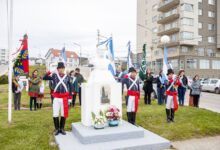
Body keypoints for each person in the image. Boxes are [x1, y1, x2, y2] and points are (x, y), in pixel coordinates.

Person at [43, 62, 72, 135]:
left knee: (63, 113)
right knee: (55, 113)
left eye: (62, 68)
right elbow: (44, 77)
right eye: (59, 68)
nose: (61, 70)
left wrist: (70, 98)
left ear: (64, 69)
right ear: (57, 69)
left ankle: (62, 128)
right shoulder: (54, 76)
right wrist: (50, 71)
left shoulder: (67, 77)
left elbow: (70, 88)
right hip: (56, 97)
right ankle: (56, 129)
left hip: (64, 98)